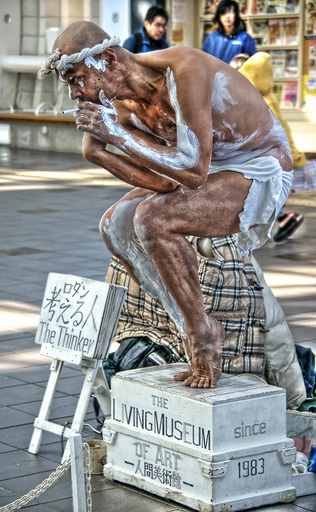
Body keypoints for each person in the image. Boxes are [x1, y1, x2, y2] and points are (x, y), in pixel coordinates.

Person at [38, 20, 293, 389]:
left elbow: (191, 171)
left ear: (107, 59)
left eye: (77, 80)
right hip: (209, 170)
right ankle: (194, 324)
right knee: (116, 224)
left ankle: (202, 337)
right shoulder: (123, 106)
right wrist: (96, 152)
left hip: (261, 164)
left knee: (153, 218)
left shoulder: (183, 68)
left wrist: (119, 136)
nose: (76, 95)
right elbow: (163, 181)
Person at [229, 51, 304, 243]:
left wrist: (293, 156)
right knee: (260, 193)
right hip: (261, 156)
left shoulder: (260, 100)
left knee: (259, 193)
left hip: (265, 157)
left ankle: (285, 216)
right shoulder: (252, 99)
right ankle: (284, 216)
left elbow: (280, 131)